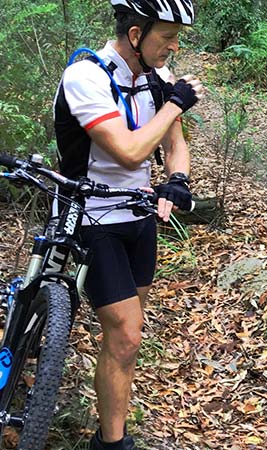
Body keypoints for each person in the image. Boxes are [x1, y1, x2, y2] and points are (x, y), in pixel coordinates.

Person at [53, 1, 204, 448]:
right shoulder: (87, 77)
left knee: (125, 341)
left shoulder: (158, 83)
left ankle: (109, 429)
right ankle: (113, 443)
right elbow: (129, 151)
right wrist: (175, 104)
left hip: (139, 219)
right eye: (167, 37)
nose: (174, 47)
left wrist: (177, 180)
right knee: (126, 331)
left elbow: (174, 145)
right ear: (136, 35)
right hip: (92, 216)